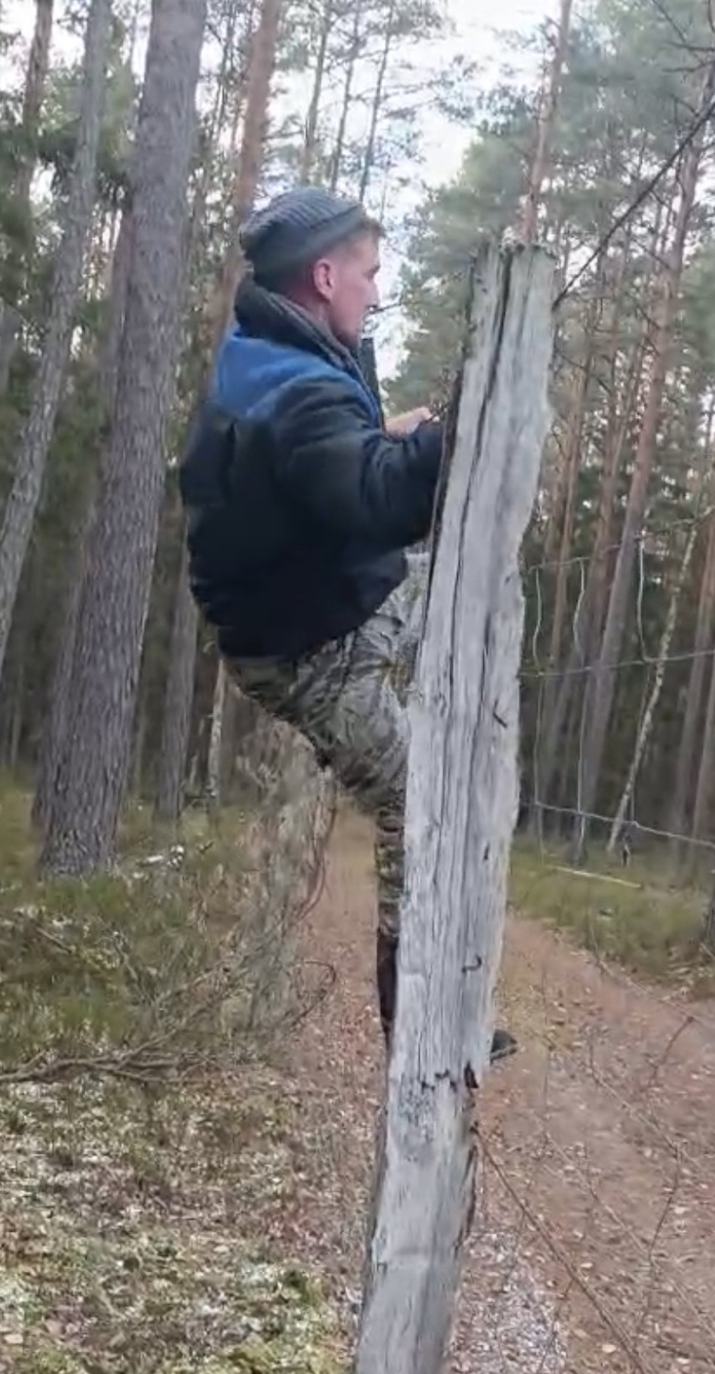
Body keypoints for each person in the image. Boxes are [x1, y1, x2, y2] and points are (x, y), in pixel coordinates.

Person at [179, 186, 516, 1064]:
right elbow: (378, 495)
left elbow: (347, 454)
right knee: (419, 805)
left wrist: (409, 427)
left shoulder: (278, 350)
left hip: (331, 601)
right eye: (367, 274)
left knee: (478, 589)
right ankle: (422, 1035)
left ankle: (460, 723)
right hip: (307, 653)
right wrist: (469, 418)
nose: (375, 289)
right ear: (324, 276)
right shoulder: (295, 397)